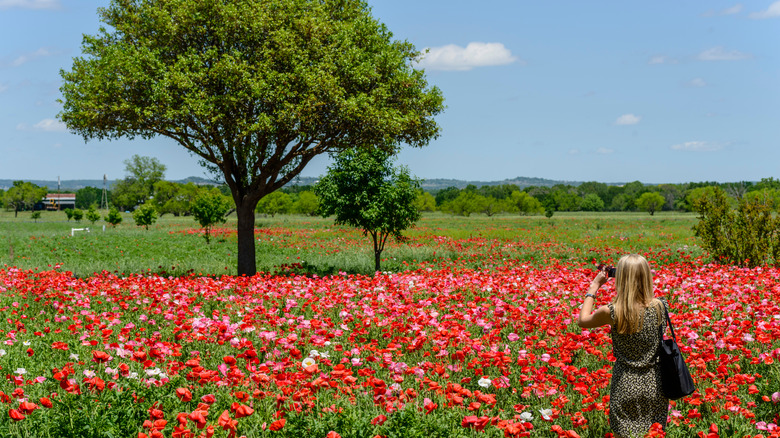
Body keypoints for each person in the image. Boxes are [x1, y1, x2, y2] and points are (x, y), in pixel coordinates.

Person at [577, 254, 668, 438]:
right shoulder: (661, 306)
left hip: (625, 383)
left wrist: (594, 286)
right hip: (655, 384)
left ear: (621, 278)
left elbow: (582, 321)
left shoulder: (612, 311)